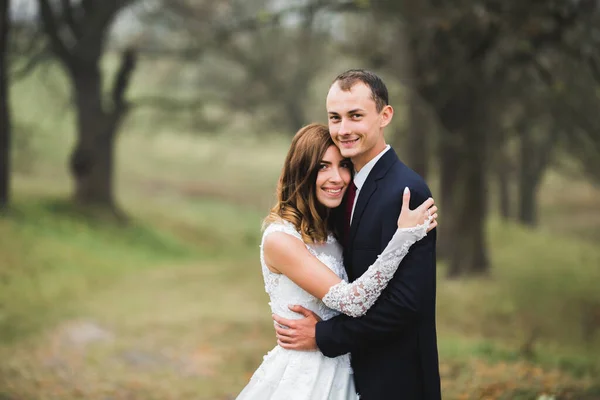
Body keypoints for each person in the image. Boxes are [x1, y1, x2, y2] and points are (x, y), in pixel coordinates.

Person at [272, 70, 442, 400]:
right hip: (347, 374)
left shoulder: (405, 192)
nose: (343, 129)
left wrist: (324, 335)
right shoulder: (345, 189)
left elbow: (406, 304)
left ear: (385, 115)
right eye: (335, 118)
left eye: (355, 116)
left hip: (395, 378)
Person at [236, 123, 437, 399]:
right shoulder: (280, 239)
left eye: (343, 165)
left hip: (347, 370)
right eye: (322, 167)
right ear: (302, 171)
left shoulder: (332, 231)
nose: (338, 177)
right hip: (304, 376)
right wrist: (403, 238)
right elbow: (352, 301)